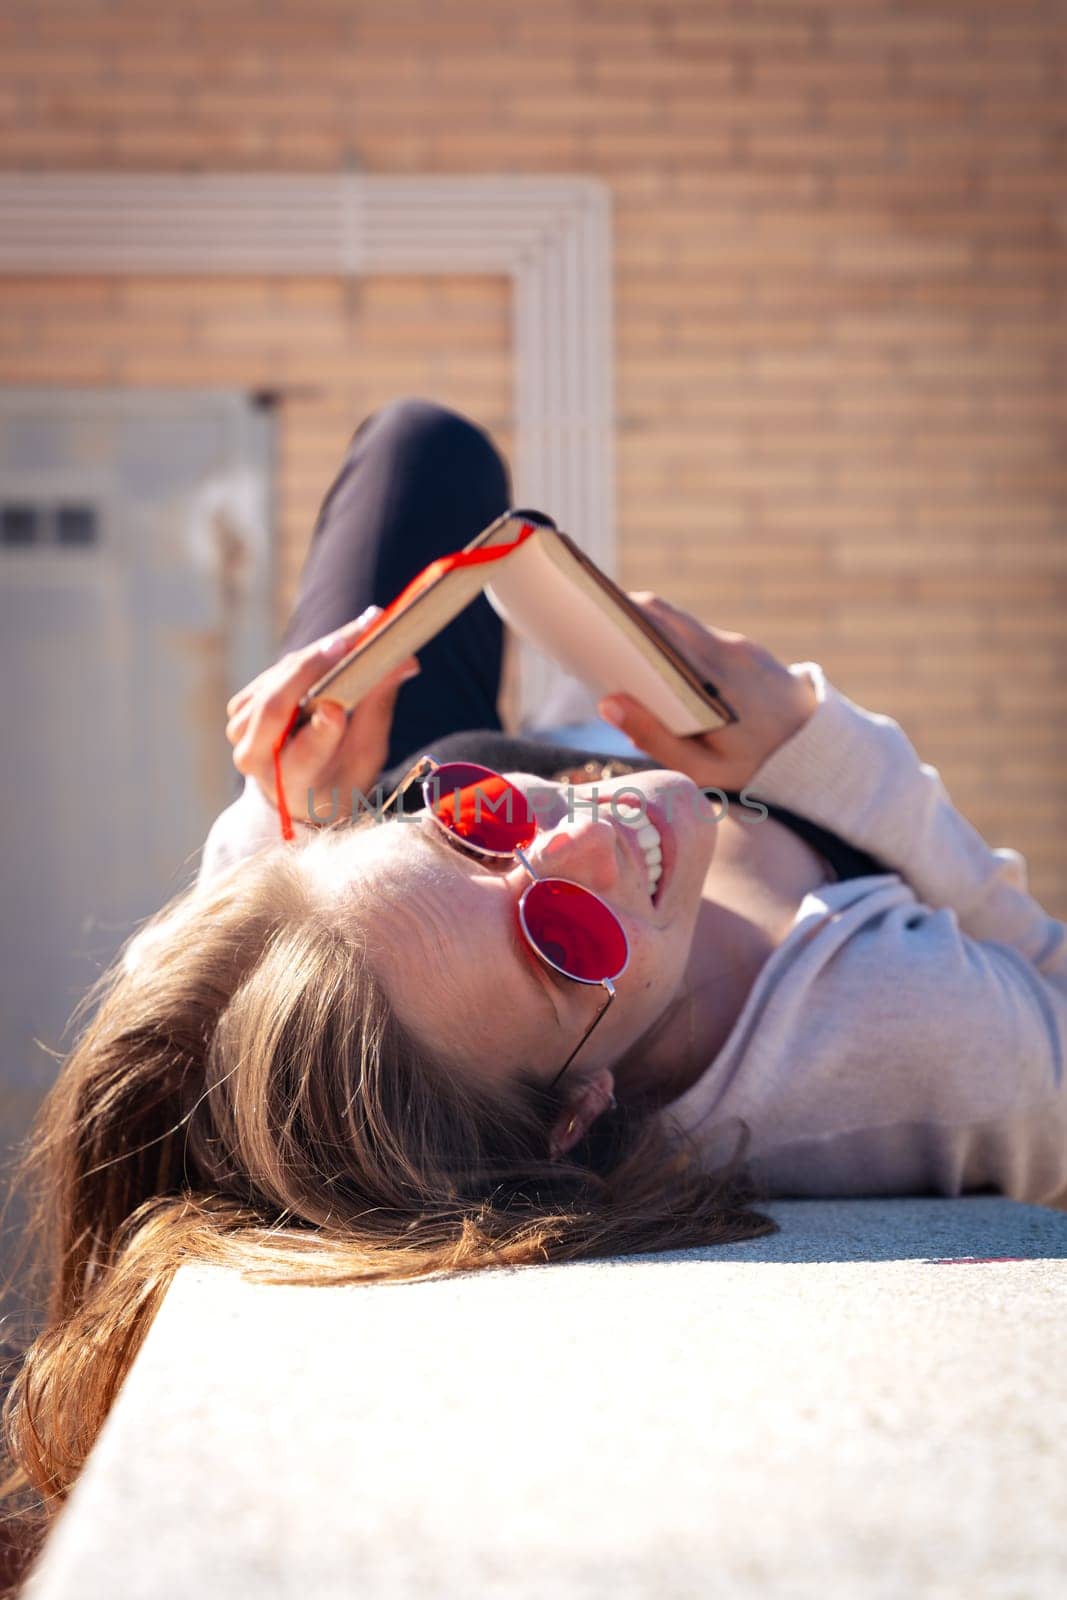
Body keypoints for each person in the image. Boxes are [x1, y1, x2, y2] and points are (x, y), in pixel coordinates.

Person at [2, 399, 1065, 1572]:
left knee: (421, 447)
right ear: (576, 1110)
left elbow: (224, 971)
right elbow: (1044, 972)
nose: (588, 840)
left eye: (472, 825)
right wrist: (827, 754)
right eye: (559, 938)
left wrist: (285, 804)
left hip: (392, 837)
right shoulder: (918, 1043)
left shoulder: (396, 921)